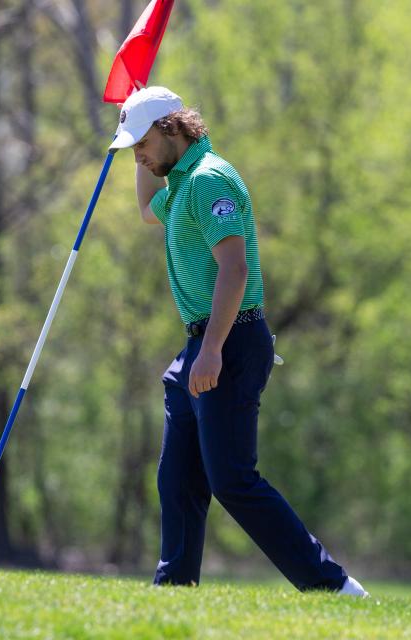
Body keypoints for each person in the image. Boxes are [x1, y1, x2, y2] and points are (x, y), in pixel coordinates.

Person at [109, 86, 368, 596]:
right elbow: (144, 208)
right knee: (178, 478)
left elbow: (235, 267)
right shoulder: (180, 183)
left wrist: (211, 352)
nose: (135, 154)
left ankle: (332, 586)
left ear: (172, 127)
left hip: (229, 340)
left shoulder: (208, 181)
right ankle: (174, 590)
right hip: (202, 344)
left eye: (140, 141)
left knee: (232, 480)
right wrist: (136, 121)